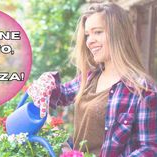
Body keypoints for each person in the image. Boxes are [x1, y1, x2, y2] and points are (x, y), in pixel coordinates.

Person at [27, 2, 157, 157]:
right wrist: (47, 83)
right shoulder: (90, 78)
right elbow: (61, 95)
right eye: (88, 34)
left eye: (97, 32)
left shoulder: (142, 89)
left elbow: (150, 148)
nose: (89, 41)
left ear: (119, 34)